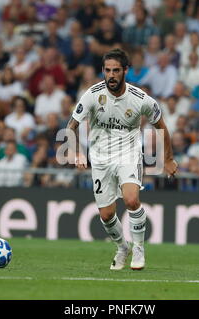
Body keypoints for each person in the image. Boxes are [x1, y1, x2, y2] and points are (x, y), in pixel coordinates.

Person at [66, 49, 177, 270]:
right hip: (100, 159)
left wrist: (168, 159)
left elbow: (162, 127)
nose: (111, 75)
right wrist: (76, 151)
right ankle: (122, 247)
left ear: (126, 71)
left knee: (131, 200)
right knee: (107, 215)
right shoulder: (92, 94)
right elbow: (71, 126)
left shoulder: (141, 99)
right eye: (107, 70)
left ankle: (138, 249)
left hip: (128, 154)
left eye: (116, 70)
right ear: (103, 71)